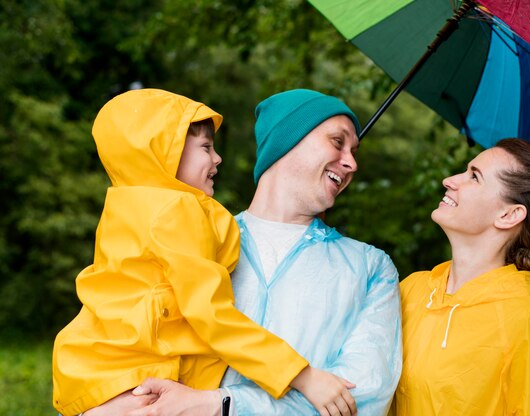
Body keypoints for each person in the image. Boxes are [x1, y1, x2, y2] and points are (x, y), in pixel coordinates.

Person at [89, 88, 402, 416]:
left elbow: (363, 396)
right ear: (288, 139)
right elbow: (116, 329)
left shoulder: (371, 268)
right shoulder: (188, 237)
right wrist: (105, 403)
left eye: (354, 151)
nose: (351, 163)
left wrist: (221, 405)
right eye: (338, 142)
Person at [391, 138, 530, 415]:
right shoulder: (412, 289)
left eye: (474, 176)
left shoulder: (528, 326)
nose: (449, 180)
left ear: (508, 214)